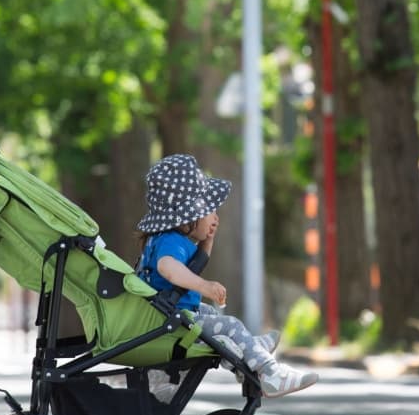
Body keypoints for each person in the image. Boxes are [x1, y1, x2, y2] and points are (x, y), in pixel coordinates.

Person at [135, 154, 318, 398]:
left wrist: (208, 238)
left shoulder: (166, 239)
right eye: (209, 210)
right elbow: (167, 267)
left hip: (168, 317)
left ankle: (249, 348)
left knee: (212, 316)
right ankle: (270, 373)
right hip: (168, 324)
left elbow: (196, 262)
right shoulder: (171, 243)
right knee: (230, 325)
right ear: (187, 214)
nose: (215, 217)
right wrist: (204, 286)